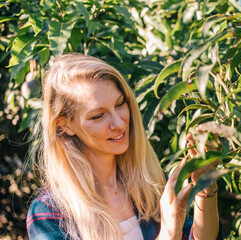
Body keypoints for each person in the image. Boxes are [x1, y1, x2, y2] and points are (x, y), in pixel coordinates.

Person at [26, 53, 222, 240]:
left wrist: (205, 188)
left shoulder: (149, 182)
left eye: (120, 104)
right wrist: (168, 234)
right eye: (98, 116)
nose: (119, 123)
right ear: (65, 125)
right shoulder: (49, 215)